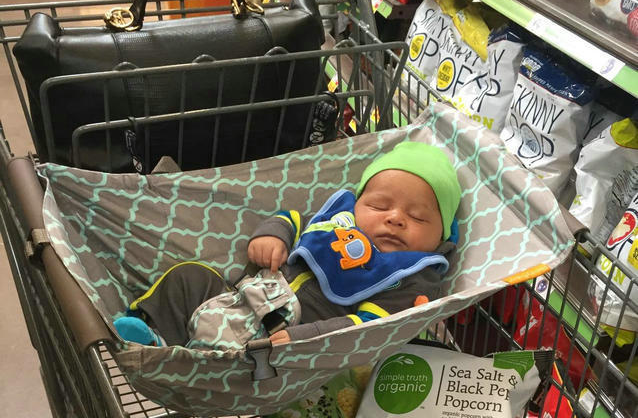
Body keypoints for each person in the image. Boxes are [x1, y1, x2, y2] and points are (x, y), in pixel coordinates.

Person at [114, 141, 461, 350]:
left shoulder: (413, 279)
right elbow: (292, 218)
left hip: (282, 338)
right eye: (380, 206)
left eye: (417, 217)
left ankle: (188, 359)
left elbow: (368, 326)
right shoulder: (338, 222)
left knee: (247, 361)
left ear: (440, 236)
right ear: (356, 203)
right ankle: (152, 334)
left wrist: (307, 339)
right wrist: (272, 236)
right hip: (236, 297)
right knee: (188, 276)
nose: (395, 218)